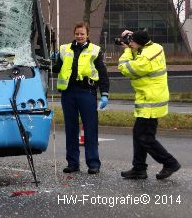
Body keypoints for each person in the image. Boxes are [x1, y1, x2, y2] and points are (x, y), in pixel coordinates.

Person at [118, 30, 181, 180]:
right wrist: (132, 42)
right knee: (139, 134)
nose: (129, 43)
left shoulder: (146, 57)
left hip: (150, 100)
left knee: (145, 137)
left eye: (131, 41)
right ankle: (139, 168)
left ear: (139, 43)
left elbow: (125, 68)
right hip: (149, 98)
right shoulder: (153, 47)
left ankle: (170, 162)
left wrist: (127, 51)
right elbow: (138, 53)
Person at [52, 22, 109, 174]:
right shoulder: (64, 49)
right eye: (77, 33)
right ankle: (72, 163)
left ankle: (93, 163)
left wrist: (104, 94)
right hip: (68, 93)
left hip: (87, 92)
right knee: (71, 129)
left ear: (87, 35)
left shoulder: (95, 50)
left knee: (90, 128)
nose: (79, 36)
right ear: (74, 34)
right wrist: (53, 60)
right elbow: (56, 69)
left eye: (82, 34)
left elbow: (102, 73)